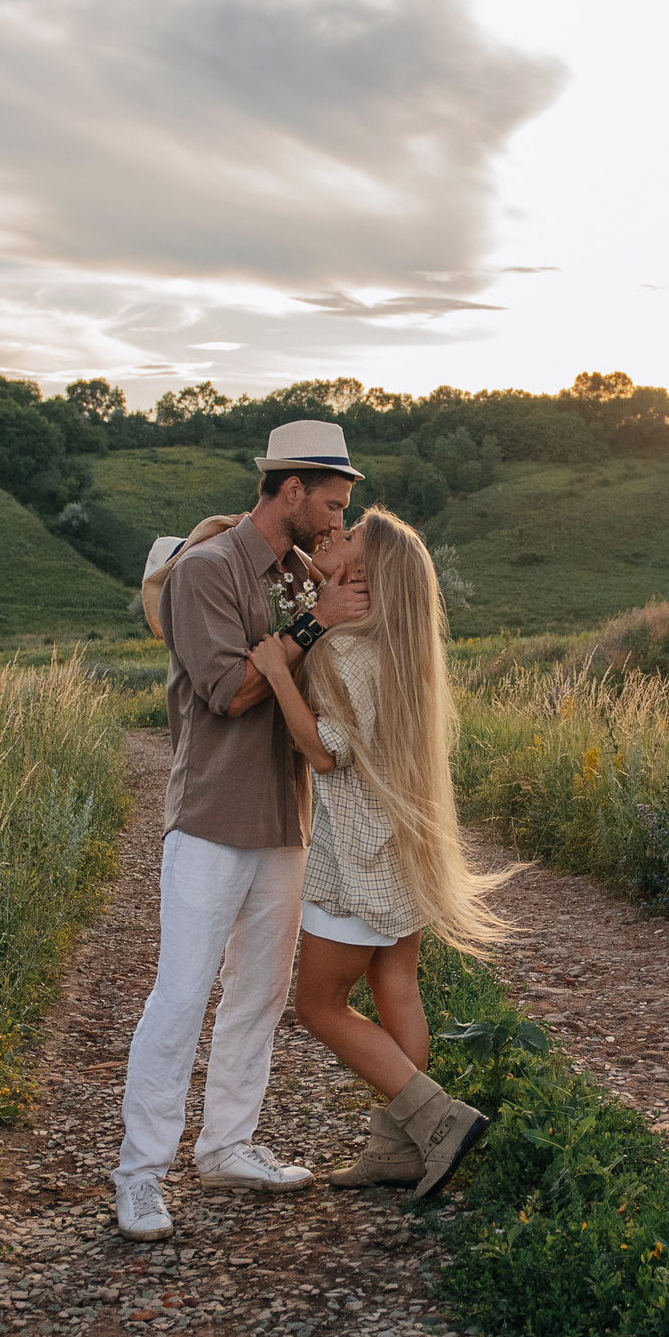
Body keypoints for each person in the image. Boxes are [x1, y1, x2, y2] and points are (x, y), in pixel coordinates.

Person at [114, 419, 371, 1243]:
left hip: (284, 816)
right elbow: (229, 692)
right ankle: (140, 1176)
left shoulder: (302, 573)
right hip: (212, 818)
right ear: (289, 490)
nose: (335, 522)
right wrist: (313, 626)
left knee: (257, 994)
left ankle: (227, 1144)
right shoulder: (205, 572)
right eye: (329, 504)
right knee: (181, 995)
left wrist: (326, 610)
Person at [247, 508, 513, 1199]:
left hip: (357, 857)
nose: (335, 536)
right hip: (404, 846)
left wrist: (277, 667)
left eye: (352, 536)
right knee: (396, 987)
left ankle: (439, 1122)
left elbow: (323, 752)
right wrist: (318, 582)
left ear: (367, 574)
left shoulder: (342, 650)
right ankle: (396, 1148)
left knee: (319, 1005)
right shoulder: (398, 645)